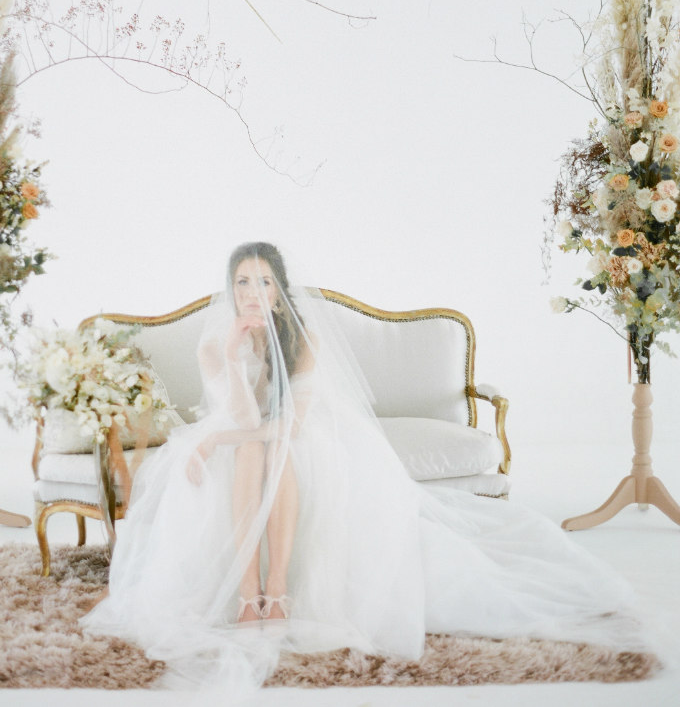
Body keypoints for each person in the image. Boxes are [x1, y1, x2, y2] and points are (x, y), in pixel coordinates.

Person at [81, 242, 642, 692]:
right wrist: (231, 357)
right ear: (231, 291)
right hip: (247, 441)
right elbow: (243, 415)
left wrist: (215, 441)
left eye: (264, 282)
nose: (253, 292)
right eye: (242, 282)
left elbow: (290, 425)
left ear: (280, 292)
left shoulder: (305, 341)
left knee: (273, 449)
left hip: (294, 439)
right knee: (252, 449)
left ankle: (277, 587)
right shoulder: (216, 346)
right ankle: (250, 591)